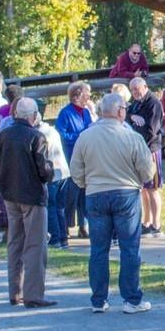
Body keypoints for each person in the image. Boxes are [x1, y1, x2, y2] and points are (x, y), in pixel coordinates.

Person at [69, 92, 155, 313]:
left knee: (98, 249)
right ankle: (131, 299)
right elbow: (147, 171)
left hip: (96, 193)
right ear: (119, 111)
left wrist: (87, 184)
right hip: (126, 193)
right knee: (129, 248)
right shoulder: (131, 137)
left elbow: (76, 171)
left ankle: (99, 299)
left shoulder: (85, 137)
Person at [0, 97, 56, 304]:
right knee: (35, 245)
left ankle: (14, 291)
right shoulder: (36, 137)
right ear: (33, 115)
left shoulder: (1, 136)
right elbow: (44, 171)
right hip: (33, 196)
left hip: (10, 195)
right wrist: (51, 173)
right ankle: (33, 294)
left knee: (15, 243)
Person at [126, 76, 165, 236]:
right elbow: (126, 117)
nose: (135, 92)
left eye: (137, 88)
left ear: (145, 86)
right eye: (132, 90)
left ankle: (157, 224)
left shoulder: (153, 103)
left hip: (151, 149)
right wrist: (134, 119)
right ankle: (146, 222)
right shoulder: (136, 104)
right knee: (143, 189)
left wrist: (137, 127)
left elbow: (151, 130)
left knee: (153, 188)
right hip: (139, 150)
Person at [56, 82, 94, 240]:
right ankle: (65, 227)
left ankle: (83, 226)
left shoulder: (85, 112)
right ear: (78, 95)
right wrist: (80, 136)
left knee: (84, 195)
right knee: (70, 196)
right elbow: (61, 134)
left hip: (86, 159)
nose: (89, 95)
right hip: (71, 158)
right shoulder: (65, 113)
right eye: (87, 92)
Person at [37, 111, 70, 248]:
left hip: (53, 173)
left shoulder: (41, 134)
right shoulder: (51, 130)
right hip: (63, 171)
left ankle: (55, 238)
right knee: (60, 208)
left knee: (51, 206)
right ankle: (63, 238)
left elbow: (43, 155)